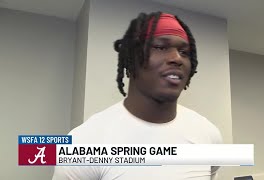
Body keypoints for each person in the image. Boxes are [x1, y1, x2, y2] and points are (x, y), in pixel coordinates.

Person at [52, 11, 223, 180]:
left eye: (184, 52)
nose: (177, 58)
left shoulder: (208, 134)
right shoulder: (84, 142)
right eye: (160, 47)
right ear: (132, 57)